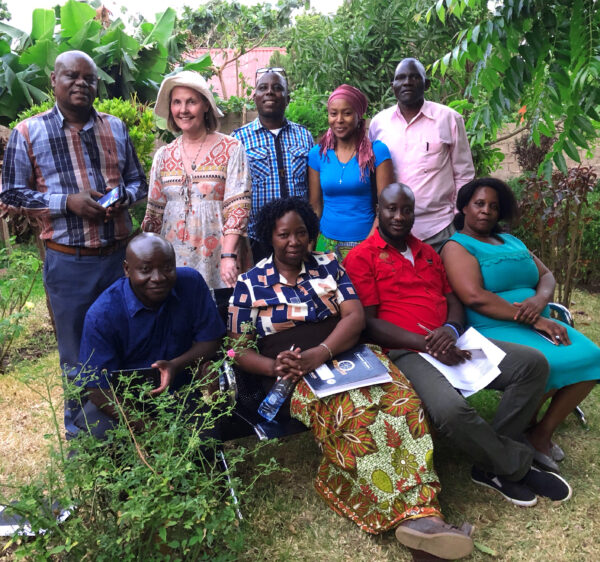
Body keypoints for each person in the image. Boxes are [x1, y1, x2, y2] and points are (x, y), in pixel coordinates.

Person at [228, 197, 475, 561]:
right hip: (295, 374)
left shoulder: (329, 266)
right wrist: (273, 367)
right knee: (358, 418)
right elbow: (236, 349)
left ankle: (423, 516)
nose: (294, 241)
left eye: (301, 233)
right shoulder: (251, 283)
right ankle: (420, 519)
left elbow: (354, 317)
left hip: (350, 354)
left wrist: (322, 352)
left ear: (312, 235)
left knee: (403, 405)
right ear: (270, 236)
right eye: (284, 235)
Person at [343, 183, 572, 507]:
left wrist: (450, 329)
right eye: (391, 209)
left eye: (406, 210)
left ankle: (489, 463)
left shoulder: (426, 252)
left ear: (414, 213)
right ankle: (513, 466)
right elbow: (370, 323)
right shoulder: (362, 256)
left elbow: (453, 300)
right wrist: (427, 342)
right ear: (378, 210)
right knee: (451, 410)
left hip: (454, 339)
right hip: (406, 349)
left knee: (532, 365)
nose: (398, 216)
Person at [0, 50, 148, 437]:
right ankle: (83, 441)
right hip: (70, 264)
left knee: (128, 344)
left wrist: (119, 198)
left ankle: (131, 430)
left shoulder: (115, 127)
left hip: (120, 259)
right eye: (72, 76)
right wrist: (66, 203)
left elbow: (138, 183)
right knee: (78, 355)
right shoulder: (28, 132)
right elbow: (12, 194)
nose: (81, 83)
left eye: (89, 78)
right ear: (54, 81)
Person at [441, 177, 600, 472]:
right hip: (493, 328)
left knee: (591, 357)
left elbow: (547, 276)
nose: (486, 211)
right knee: (544, 363)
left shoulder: (512, 241)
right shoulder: (457, 246)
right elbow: (475, 297)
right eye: (479, 204)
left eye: (493, 206)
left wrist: (541, 301)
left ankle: (539, 433)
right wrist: (536, 319)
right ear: (464, 207)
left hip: (539, 321)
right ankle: (527, 423)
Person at [75, 233, 225, 438]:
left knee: (206, 436)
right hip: (121, 400)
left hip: (177, 392)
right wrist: (151, 430)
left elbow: (211, 341)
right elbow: (96, 389)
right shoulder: (103, 314)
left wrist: (175, 365)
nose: (158, 278)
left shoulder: (191, 284)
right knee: (99, 440)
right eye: (145, 270)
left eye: (167, 268)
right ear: (127, 269)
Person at [142, 71, 251, 301]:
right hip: (172, 258)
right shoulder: (163, 155)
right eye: (177, 102)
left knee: (220, 320)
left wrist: (229, 255)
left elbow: (238, 206)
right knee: (178, 320)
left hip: (218, 256)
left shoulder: (231, 149)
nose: (183, 110)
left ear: (205, 105)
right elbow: (154, 214)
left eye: (191, 101)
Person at [368, 58, 475, 250]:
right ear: (393, 86)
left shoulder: (448, 118)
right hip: (392, 231)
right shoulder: (379, 124)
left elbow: (464, 174)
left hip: (440, 228)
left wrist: (459, 217)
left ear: (426, 84)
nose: (407, 82)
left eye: (414, 77)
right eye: (400, 78)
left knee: (443, 280)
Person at [232, 68, 314, 262]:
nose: (270, 92)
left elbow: (312, 190)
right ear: (255, 97)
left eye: (277, 88)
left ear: (287, 98)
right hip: (257, 240)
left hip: (297, 239)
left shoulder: (304, 136)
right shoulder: (238, 140)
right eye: (263, 88)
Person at [308, 84, 395, 260]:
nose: (339, 119)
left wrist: (368, 246)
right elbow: (315, 207)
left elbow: (387, 207)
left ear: (358, 115)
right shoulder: (317, 154)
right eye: (333, 113)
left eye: (347, 113)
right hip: (325, 244)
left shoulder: (377, 152)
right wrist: (309, 247)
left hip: (365, 241)